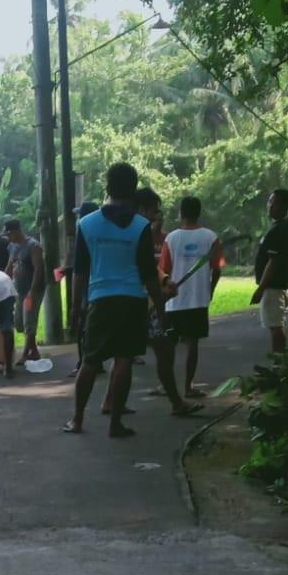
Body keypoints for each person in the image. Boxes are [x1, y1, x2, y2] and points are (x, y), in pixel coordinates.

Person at [65, 163, 164, 438]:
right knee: (124, 360)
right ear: (133, 190)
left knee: (90, 361)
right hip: (132, 300)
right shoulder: (141, 226)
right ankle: (115, 423)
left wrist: (75, 307)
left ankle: (77, 419)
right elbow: (149, 274)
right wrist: (160, 307)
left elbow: (80, 271)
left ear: (107, 187)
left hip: (101, 300)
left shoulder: (87, 224)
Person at [134, 188, 204, 418]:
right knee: (163, 348)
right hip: (139, 302)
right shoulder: (139, 231)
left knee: (123, 354)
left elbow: (153, 269)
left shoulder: (132, 228)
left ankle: (108, 404)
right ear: (141, 209)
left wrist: (164, 280)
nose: (156, 216)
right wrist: (160, 298)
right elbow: (146, 270)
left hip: (136, 300)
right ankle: (176, 402)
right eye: (153, 211)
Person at [158, 196, 223, 398]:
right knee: (192, 343)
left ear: (181, 214)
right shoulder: (210, 237)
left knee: (169, 344)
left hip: (174, 301)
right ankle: (188, 386)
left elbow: (163, 270)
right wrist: (210, 289)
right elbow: (217, 268)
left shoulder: (171, 238)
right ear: (199, 213)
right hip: (198, 299)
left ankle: (166, 385)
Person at [250, 188, 288, 352]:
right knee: (277, 324)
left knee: (275, 327)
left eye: (273, 203)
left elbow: (273, 261)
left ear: (283, 205)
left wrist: (261, 288)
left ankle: (279, 362)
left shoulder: (281, 229)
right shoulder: (280, 225)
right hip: (277, 284)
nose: (269, 206)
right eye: (269, 202)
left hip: (273, 286)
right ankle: (281, 360)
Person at [3, 218, 46, 364]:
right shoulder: (12, 247)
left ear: (16, 232)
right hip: (19, 289)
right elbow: (9, 266)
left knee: (29, 321)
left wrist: (32, 291)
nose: (8, 238)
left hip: (32, 290)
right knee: (19, 322)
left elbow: (39, 269)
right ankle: (35, 351)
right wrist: (4, 284)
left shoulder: (33, 246)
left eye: (9, 234)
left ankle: (26, 354)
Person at [68, 201, 99, 378]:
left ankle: (83, 362)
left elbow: (79, 269)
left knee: (83, 326)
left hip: (89, 285)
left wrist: (75, 303)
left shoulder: (85, 231)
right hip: (100, 284)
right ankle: (96, 361)